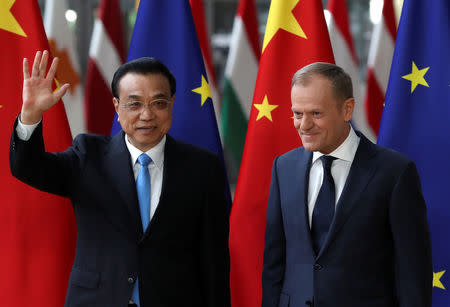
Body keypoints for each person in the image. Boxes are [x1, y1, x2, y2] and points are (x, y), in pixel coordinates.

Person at [10, 50, 230, 307]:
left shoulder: (202, 167)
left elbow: (214, 261)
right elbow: (28, 167)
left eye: (158, 103)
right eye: (134, 104)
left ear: (171, 103)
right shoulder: (88, 156)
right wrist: (31, 116)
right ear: (116, 107)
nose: (146, 115)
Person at [261, 62, 432, 307]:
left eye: (316, 113)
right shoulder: (283, 167)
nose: (304, 125)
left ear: (347, 110)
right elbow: (274, 264)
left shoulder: (395, 172)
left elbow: (413, 272)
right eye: (298, 113)